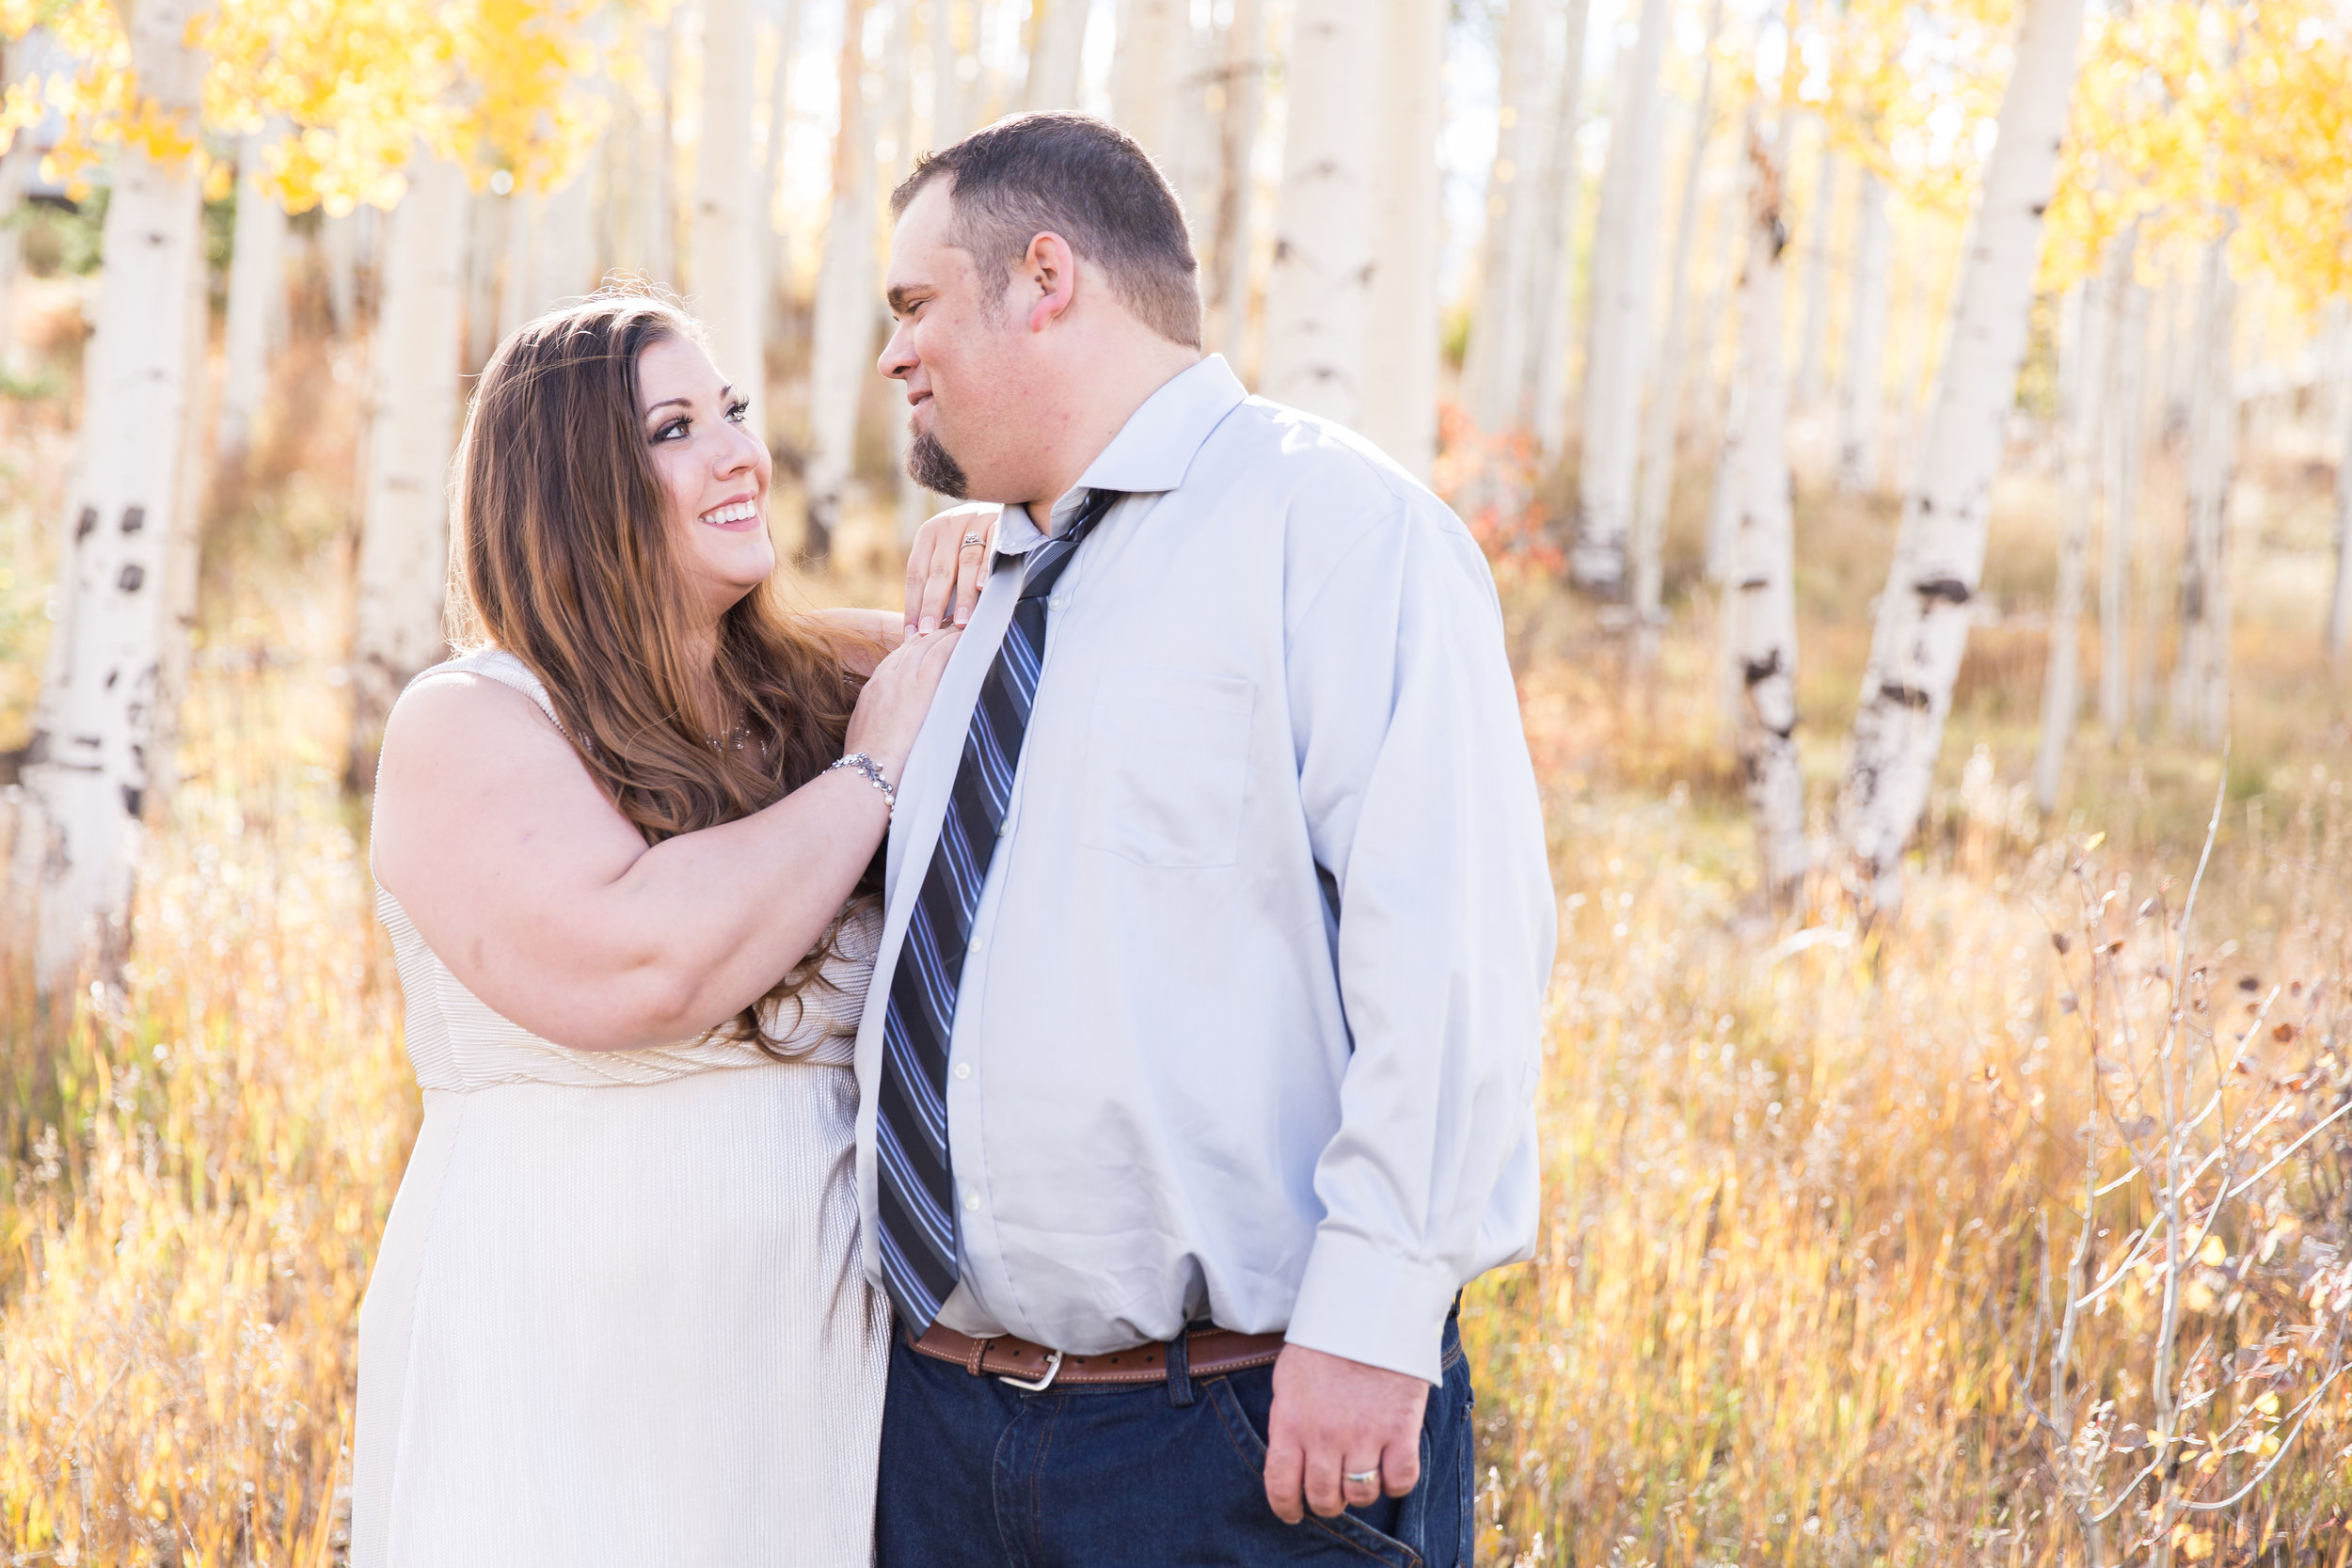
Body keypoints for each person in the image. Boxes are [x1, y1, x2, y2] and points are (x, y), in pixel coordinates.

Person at [856, 113, 1557, 1567]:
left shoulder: (1341, 529)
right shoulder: (990, 588)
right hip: (933, 1437)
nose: (891, 355)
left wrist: (1376, 1314)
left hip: (1231, 1438)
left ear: (1045, 276)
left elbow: (1455, 950)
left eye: (914, 304)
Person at [354, 291, 977, 1566]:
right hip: (558, 1367)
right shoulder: (471, 721)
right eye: (677, 427)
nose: (741, 451)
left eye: (735, 411)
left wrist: (997, 542)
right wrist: (867, 780)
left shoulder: (825, 684)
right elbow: (641, 962)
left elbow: (1048, 659)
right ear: (574, 487)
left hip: (810, 1378)